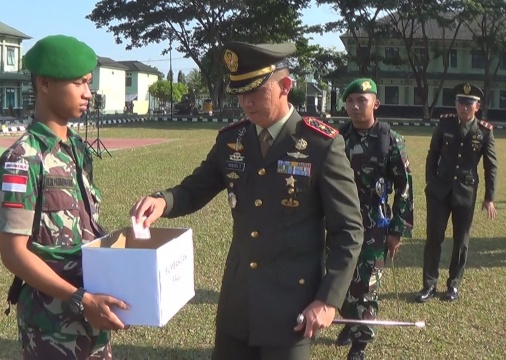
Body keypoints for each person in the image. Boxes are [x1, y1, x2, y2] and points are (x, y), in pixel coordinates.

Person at [130, 41, 364, 360]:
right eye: (240, 93)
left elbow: (348, 230)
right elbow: (197, 186)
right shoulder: (233, 139)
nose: (246, 102)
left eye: (256, 92)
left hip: (291, 306)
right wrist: (163, 201)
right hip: (238, 302)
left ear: (285, 86)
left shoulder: (320, 144)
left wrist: (328, 300)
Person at [0, 35, 129, 360]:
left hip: (93, 317)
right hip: (52, 328)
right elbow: (13, 254)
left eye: (89, 83)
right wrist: (79, 299)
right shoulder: (22, 161)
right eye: (78, 83)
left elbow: (85, 228)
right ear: (45, 83)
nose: (87, 94)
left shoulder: (78, 151)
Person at [335, 78, 414, 360]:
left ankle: (360, 344)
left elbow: (404, 186)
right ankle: (349, 324)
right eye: (351, 101)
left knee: (366, 285)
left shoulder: (390, 139)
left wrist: (397, 230)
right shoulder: (337, 138)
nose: (356, 107)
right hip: (339, 222)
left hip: (375, 224)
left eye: (362, 101)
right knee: (340, 280)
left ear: (375, 104)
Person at [416, 83, 498, 303]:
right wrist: (430, 182)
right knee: (434, 238)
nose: (464, 107)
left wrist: (489, 197)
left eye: (469, 103)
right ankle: (429, 285)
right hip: (439, 191)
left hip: (465, 192)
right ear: (455, 104)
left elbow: (490, 166)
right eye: (461, 102)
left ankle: (453, 286)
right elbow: (432, 154)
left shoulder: (484, 131)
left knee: (461, 241)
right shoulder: (445, 124)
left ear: (477, 106)